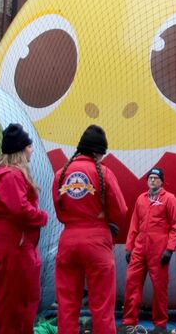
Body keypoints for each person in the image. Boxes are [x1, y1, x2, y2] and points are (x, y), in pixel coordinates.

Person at [52, 125, 128, 334]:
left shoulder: (60, 174)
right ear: (98, 152)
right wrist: (107, 222)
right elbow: (121, 210)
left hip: (68, 241)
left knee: (67, 305)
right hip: (97, 241)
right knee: (102, 306)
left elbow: (59, 210)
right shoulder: (104, 172)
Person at [0, 123, 48, 334]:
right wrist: (41, 216)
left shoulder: (6, 174)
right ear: (20, 150)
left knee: (22, 297)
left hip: (17, 243)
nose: (32, 150)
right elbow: (19, 208)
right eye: (29, 146)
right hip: (13, 244)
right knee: (13, 300)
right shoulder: (11, 176)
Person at [120, 167, 176, 334]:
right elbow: (134, 224)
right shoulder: (141, 199)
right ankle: (128, 323)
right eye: (150, 178)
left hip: (159, 250)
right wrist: (129, 247)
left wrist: (169, 249)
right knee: (132, 284)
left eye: (156, 178)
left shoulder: (169, 199)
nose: (152, 180)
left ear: (162, 181)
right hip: (140, 247)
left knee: (160, 288)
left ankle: (160, 325)